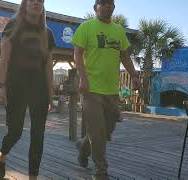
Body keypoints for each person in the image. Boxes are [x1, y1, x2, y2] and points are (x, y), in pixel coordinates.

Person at [71, 0, 141, 179]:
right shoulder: (86, 27)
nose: (107, 6)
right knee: (97, 130)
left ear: (114, 8)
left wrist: (133, 75)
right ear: (96, 7)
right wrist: (83, 78)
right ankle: (101, 171)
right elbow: (77, 54)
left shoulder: (118, 30)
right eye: (103, 3)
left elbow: (124, 55)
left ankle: (83, 146)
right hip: (91, 89)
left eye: (110, 3)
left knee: (106, 130)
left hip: (111, 91)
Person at [0, 0, 55, 179]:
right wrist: (1, 87)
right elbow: (4, 58)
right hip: (16, 87)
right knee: (15, 132)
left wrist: (50, 94)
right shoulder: (12, 26)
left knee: (38, 136)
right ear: (25, 3)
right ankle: (2, 156)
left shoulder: (47, 33)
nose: (36, 2)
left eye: (40, 0)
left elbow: (48, 66)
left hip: (39, 90)